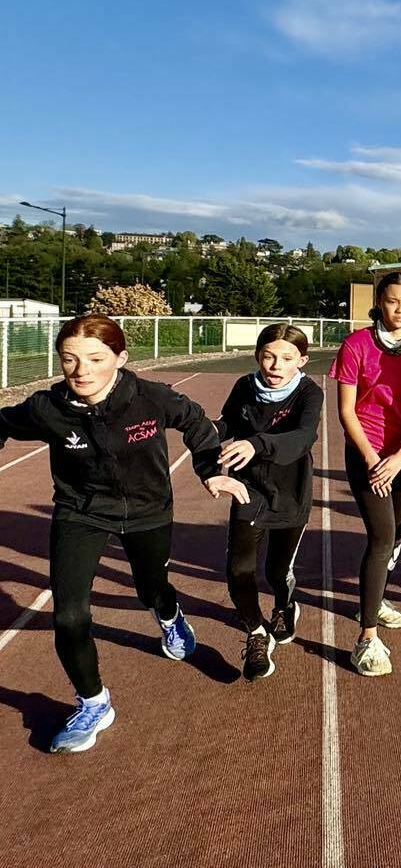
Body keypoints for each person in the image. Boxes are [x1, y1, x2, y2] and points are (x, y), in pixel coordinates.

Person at [0, 315, 248, 752]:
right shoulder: (47, 408)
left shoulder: (150, 398)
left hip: (148, 511)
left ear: (120, 358)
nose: (82, 370)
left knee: (150, 589)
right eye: (70, 359)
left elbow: (195, 422)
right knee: (68, 614)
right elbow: (1, 423)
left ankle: (169, 616)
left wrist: (210, 471)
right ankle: (94, 702)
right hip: (81, 511)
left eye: (95, 358)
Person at [330, 272, 401, 677]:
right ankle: (366, 637)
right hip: (367, 453)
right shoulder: (356, 345)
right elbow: (346, 411)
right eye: (393, 301)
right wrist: (374, 458)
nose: (400, 309)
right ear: (380, 302)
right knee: (380, 538)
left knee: (397, 530)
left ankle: (375, 599)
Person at [217, 323, 323, 682]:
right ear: (257, 357)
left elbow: (304, 437)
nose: (276, 365)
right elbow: (226, 424)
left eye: (286, 358)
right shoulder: (244, 387)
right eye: (268, 356)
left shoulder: (310, 392)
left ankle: (285, 606)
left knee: (278, 571)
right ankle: (256, 633)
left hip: (292, 491)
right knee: (238, 570)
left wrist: (256, 444)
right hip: (249, 491)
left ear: (302, 361)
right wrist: (200, 433)